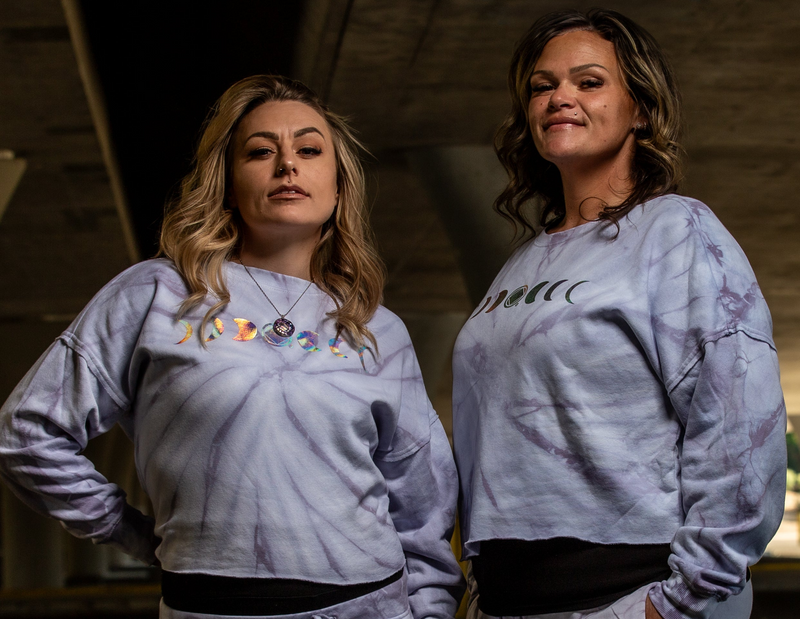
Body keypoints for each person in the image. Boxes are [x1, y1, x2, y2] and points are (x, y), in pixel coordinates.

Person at [0, 75, 464, 619]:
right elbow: (28, 432)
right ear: (227, 182)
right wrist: (128, 531)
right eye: (260, 151)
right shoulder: (156, 294)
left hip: (369, 604)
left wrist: (430, 610)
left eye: (309, 150)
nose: (287, 164)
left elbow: (421, 497)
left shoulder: (377, 327)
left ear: (338, 186)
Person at [452, 9, 786, 619]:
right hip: (507, 600)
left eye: (588, 81)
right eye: (542, 85)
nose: (560, 98)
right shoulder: (523, 262)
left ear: (639, 108)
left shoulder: (675, 229)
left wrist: (681, 598)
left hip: (630, 595)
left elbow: (740, 422)